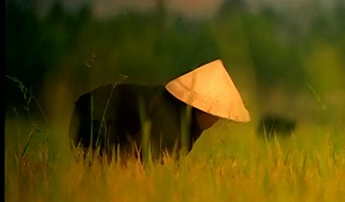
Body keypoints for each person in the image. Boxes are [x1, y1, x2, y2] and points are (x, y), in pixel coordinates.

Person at [69, 59, 250, 162]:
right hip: (94, 117)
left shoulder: (189, 124)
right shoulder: (169, 118)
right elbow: (138, 158)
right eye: (214, 114)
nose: (216, 120)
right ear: (199, 106)